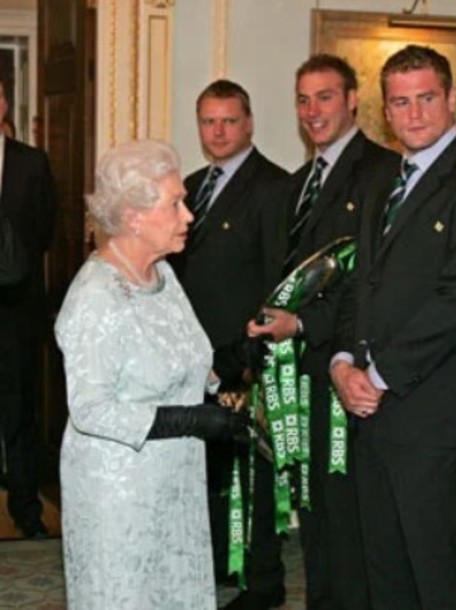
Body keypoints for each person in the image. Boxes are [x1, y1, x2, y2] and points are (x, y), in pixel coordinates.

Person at [330, 45, 456, 610]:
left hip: (437, 421)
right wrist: (342, 364)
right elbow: (357, 285)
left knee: (444, 580)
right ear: (384, 112)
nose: (414, 114)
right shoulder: (380, 182)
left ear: (452, 98)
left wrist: (379, 374)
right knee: (385, 576)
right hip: (371, 415)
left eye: (427, 99)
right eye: (400, 103)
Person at [55, 139, 252, 609]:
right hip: (118, 490)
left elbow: (180, 357)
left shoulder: (162, 275)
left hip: (175, 478)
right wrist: (187, 421)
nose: (188, 216)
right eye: (175, 204)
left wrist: (230, 359)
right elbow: (91, 409)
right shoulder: (95, 298)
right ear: (133, 216)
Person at [247, 54, 399, 610]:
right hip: (296, 375)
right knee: (314, 514)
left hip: (344, 373)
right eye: (303, 100)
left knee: (347, 519)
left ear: (354, 99)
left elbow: (370, 282)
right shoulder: (297, 183)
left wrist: (306, 324)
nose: (313, 111)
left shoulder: (384, 172)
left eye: (325, 97)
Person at [168, 79, 289, 610]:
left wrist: (247, 358)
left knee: (252, 476)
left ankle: (263, 583)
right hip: (194, 359)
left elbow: (275, 281)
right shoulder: (191, 185)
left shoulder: (274, 188)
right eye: (207, 122)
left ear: (249, 123)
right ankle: (219, 564)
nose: (217, 132)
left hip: (242, 359)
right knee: (207, 473)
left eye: (228, 121)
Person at [0, 75, 56, 538]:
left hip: (15, 314)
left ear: (2, 102)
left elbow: (44, 231)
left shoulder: (31, 163)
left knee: (19, 415)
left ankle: (26, 510)